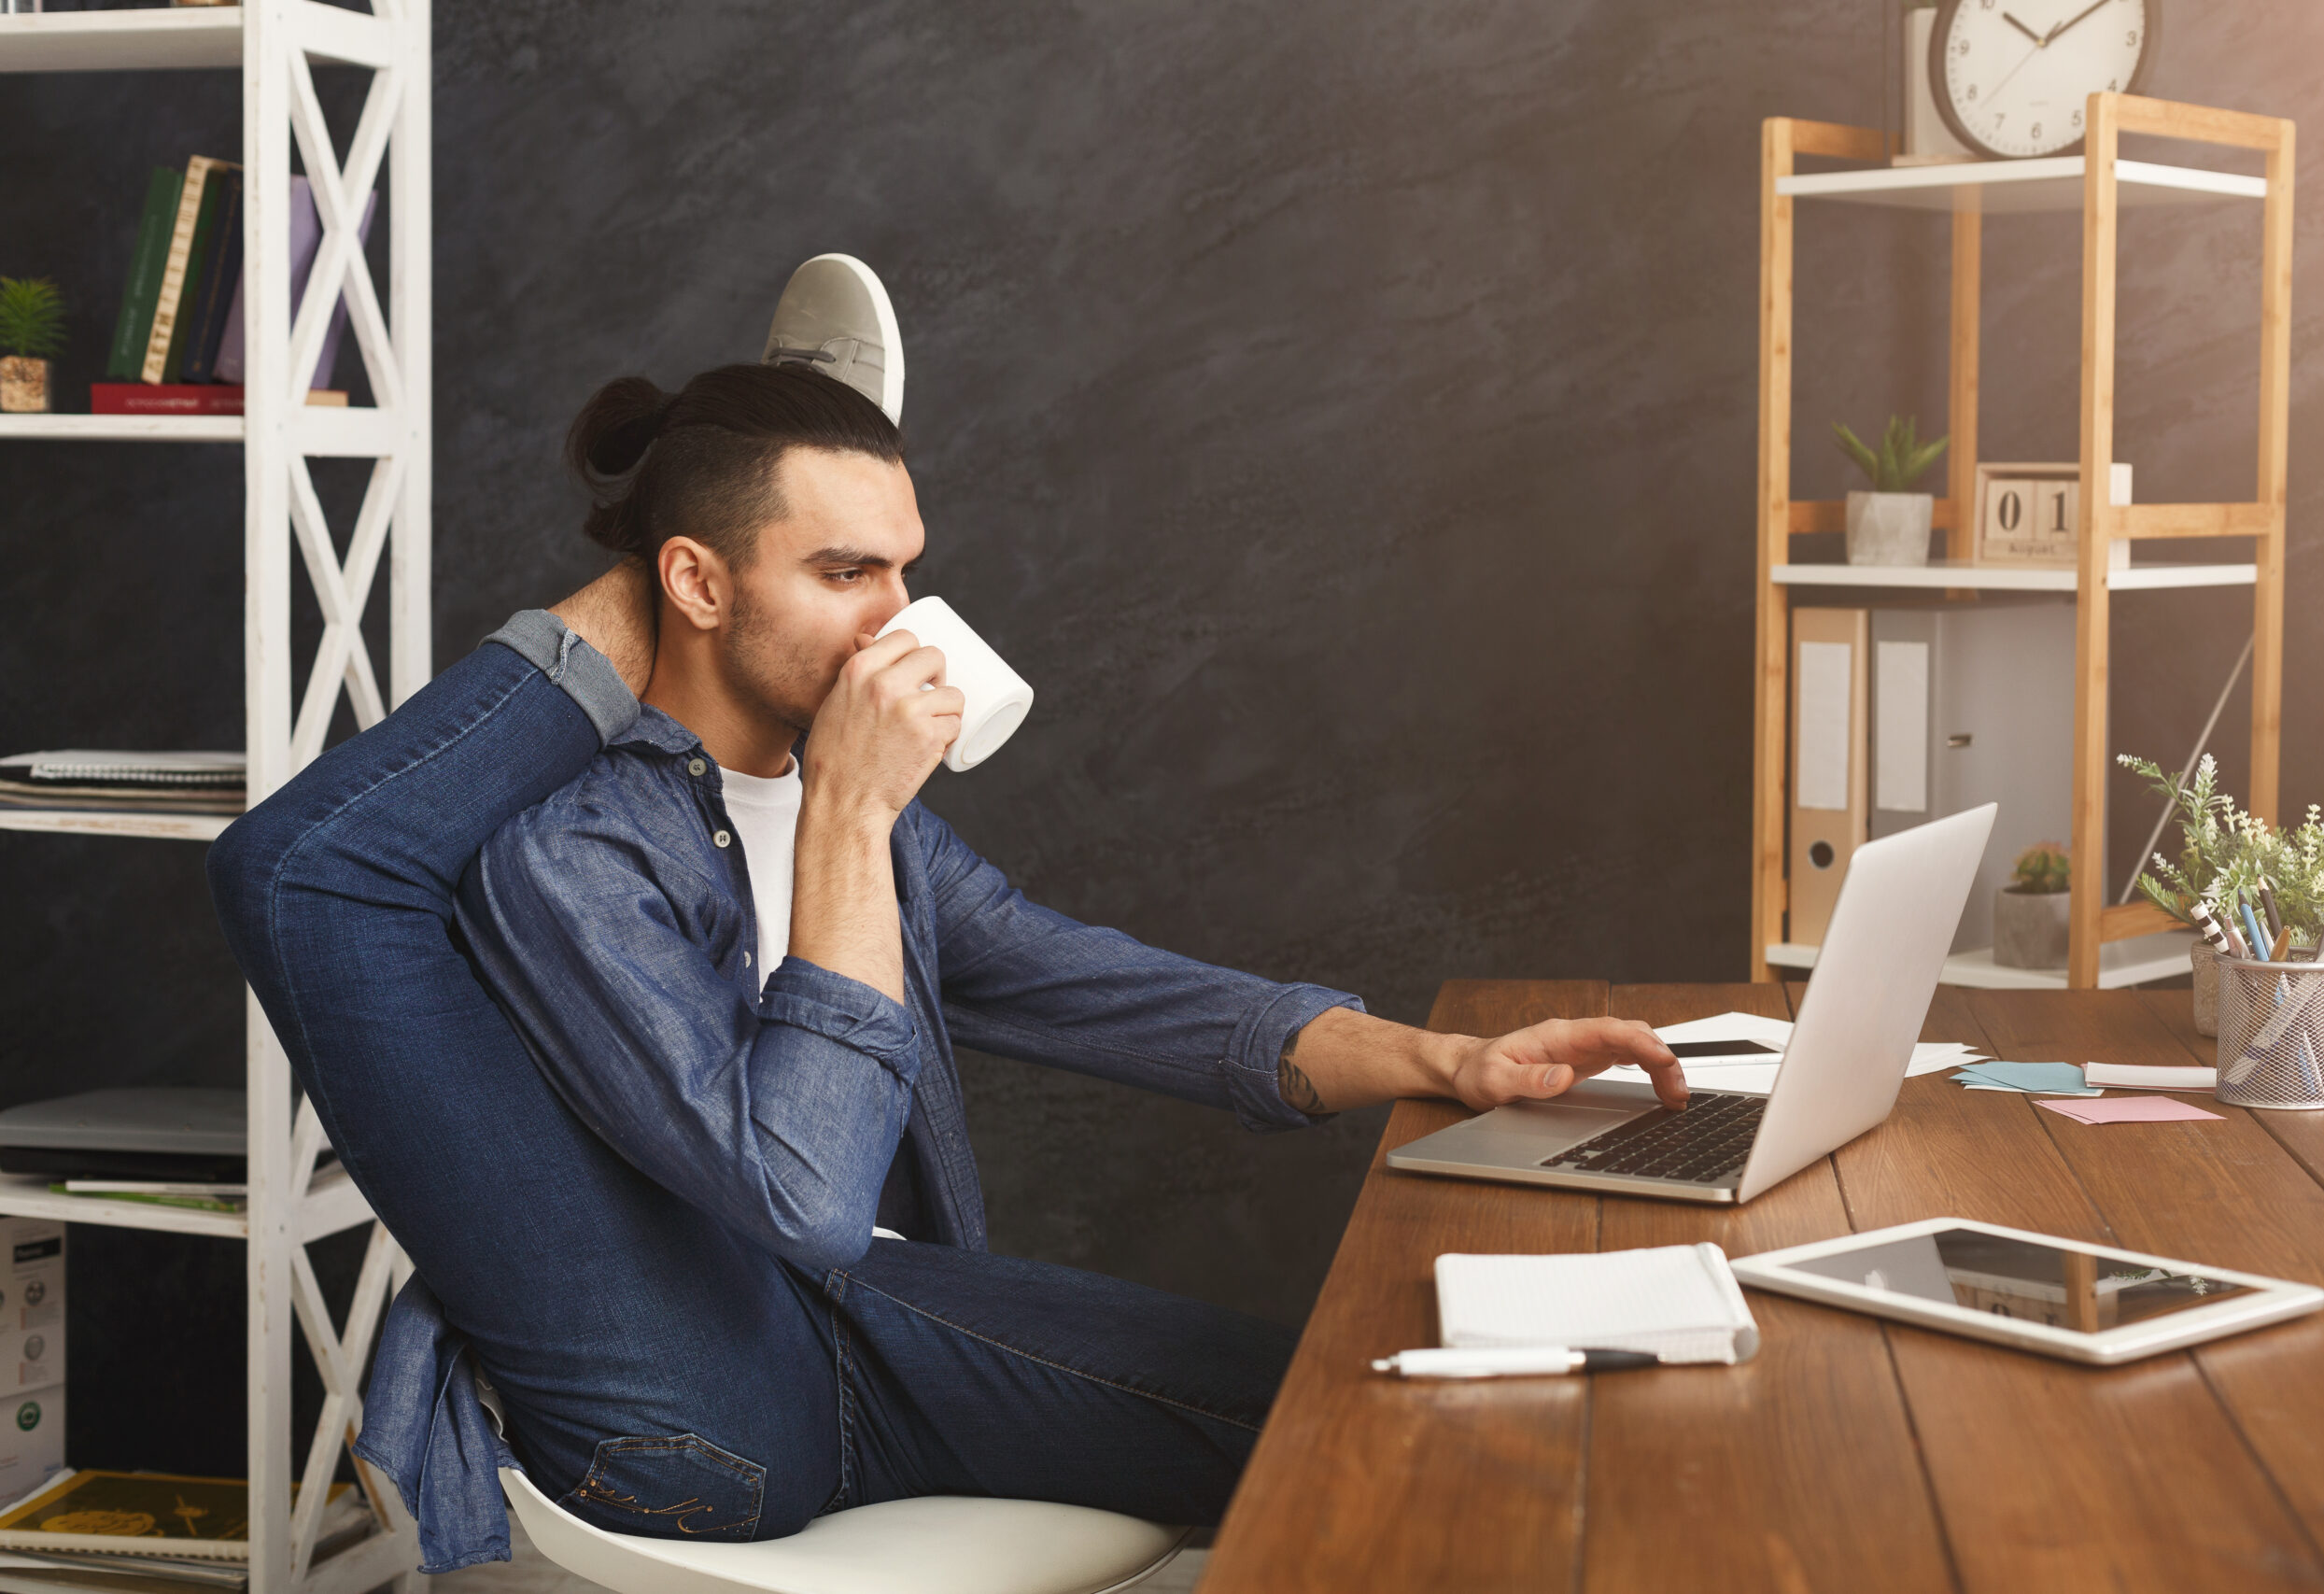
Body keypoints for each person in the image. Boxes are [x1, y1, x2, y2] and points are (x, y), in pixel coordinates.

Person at [206, 260, 1686, 1573]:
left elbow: (1109, 989)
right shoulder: (582, 855)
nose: (899, 622)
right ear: (695, 584)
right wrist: (844, 809)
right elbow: (801, 1193)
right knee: (1337, 1422)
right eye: (847, 572)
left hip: (864, 1326)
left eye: (907, 569)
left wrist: (1443, 1065)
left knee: (1355, 1397)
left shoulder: (881, 836)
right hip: (717, 1413)